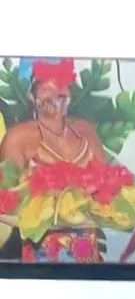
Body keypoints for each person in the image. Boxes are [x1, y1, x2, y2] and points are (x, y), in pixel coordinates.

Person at [0, 57, 109, 264]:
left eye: (61, 87)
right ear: (32, 96)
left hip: (88, 260)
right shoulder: (19, 137)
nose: (56, 95)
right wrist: (48, 216)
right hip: (41, 264)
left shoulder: (86, 131)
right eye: (46, 88)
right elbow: (3, 202)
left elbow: (111, 192)